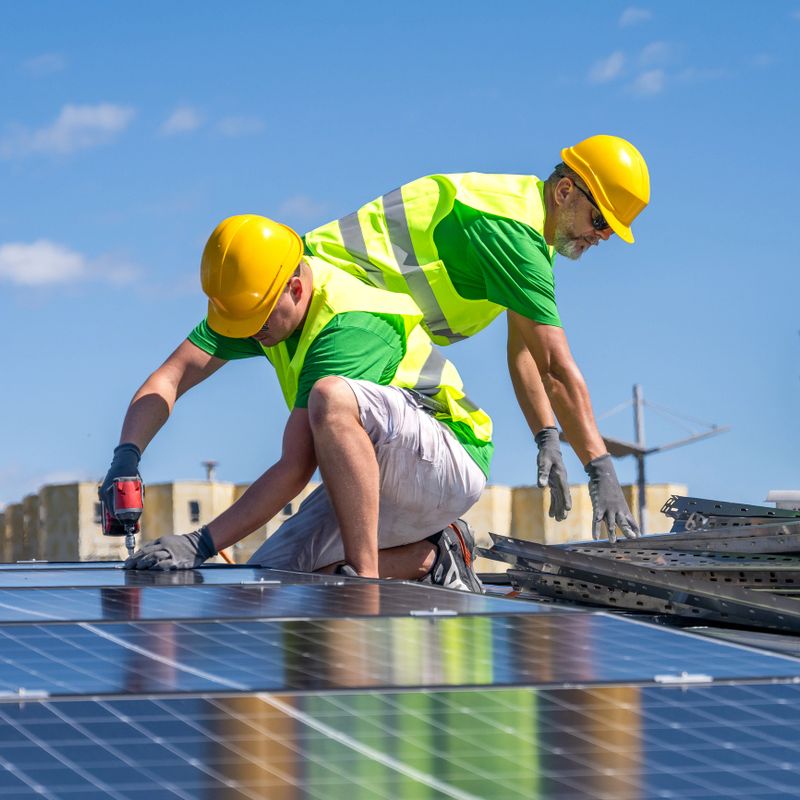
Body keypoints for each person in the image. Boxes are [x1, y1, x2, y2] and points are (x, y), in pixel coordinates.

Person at [101, 215, 493, 591]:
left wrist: (200, 543)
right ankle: (434, 558)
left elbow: (296, 467)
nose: (251, 335)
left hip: (443, 461)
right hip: (376, 469)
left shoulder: (349, 324)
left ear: (295, 288)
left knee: (331, 397)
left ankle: (367, 582)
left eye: (258, 323)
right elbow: (171, 376)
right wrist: (126, 457)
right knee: (277, 577)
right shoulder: (257, 306)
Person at [303, 134, 650, 543]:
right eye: (600, 221)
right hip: (328, 301)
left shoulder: (530, 230)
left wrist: (548, 436)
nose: (602, 236)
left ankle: (418, 549)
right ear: (564, 191)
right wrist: (601, 469)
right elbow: (556, 366)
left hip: (360, 323)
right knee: (314, 461)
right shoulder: (514, 232)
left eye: (612, 230)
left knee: (326, 515)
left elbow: (525, 351)